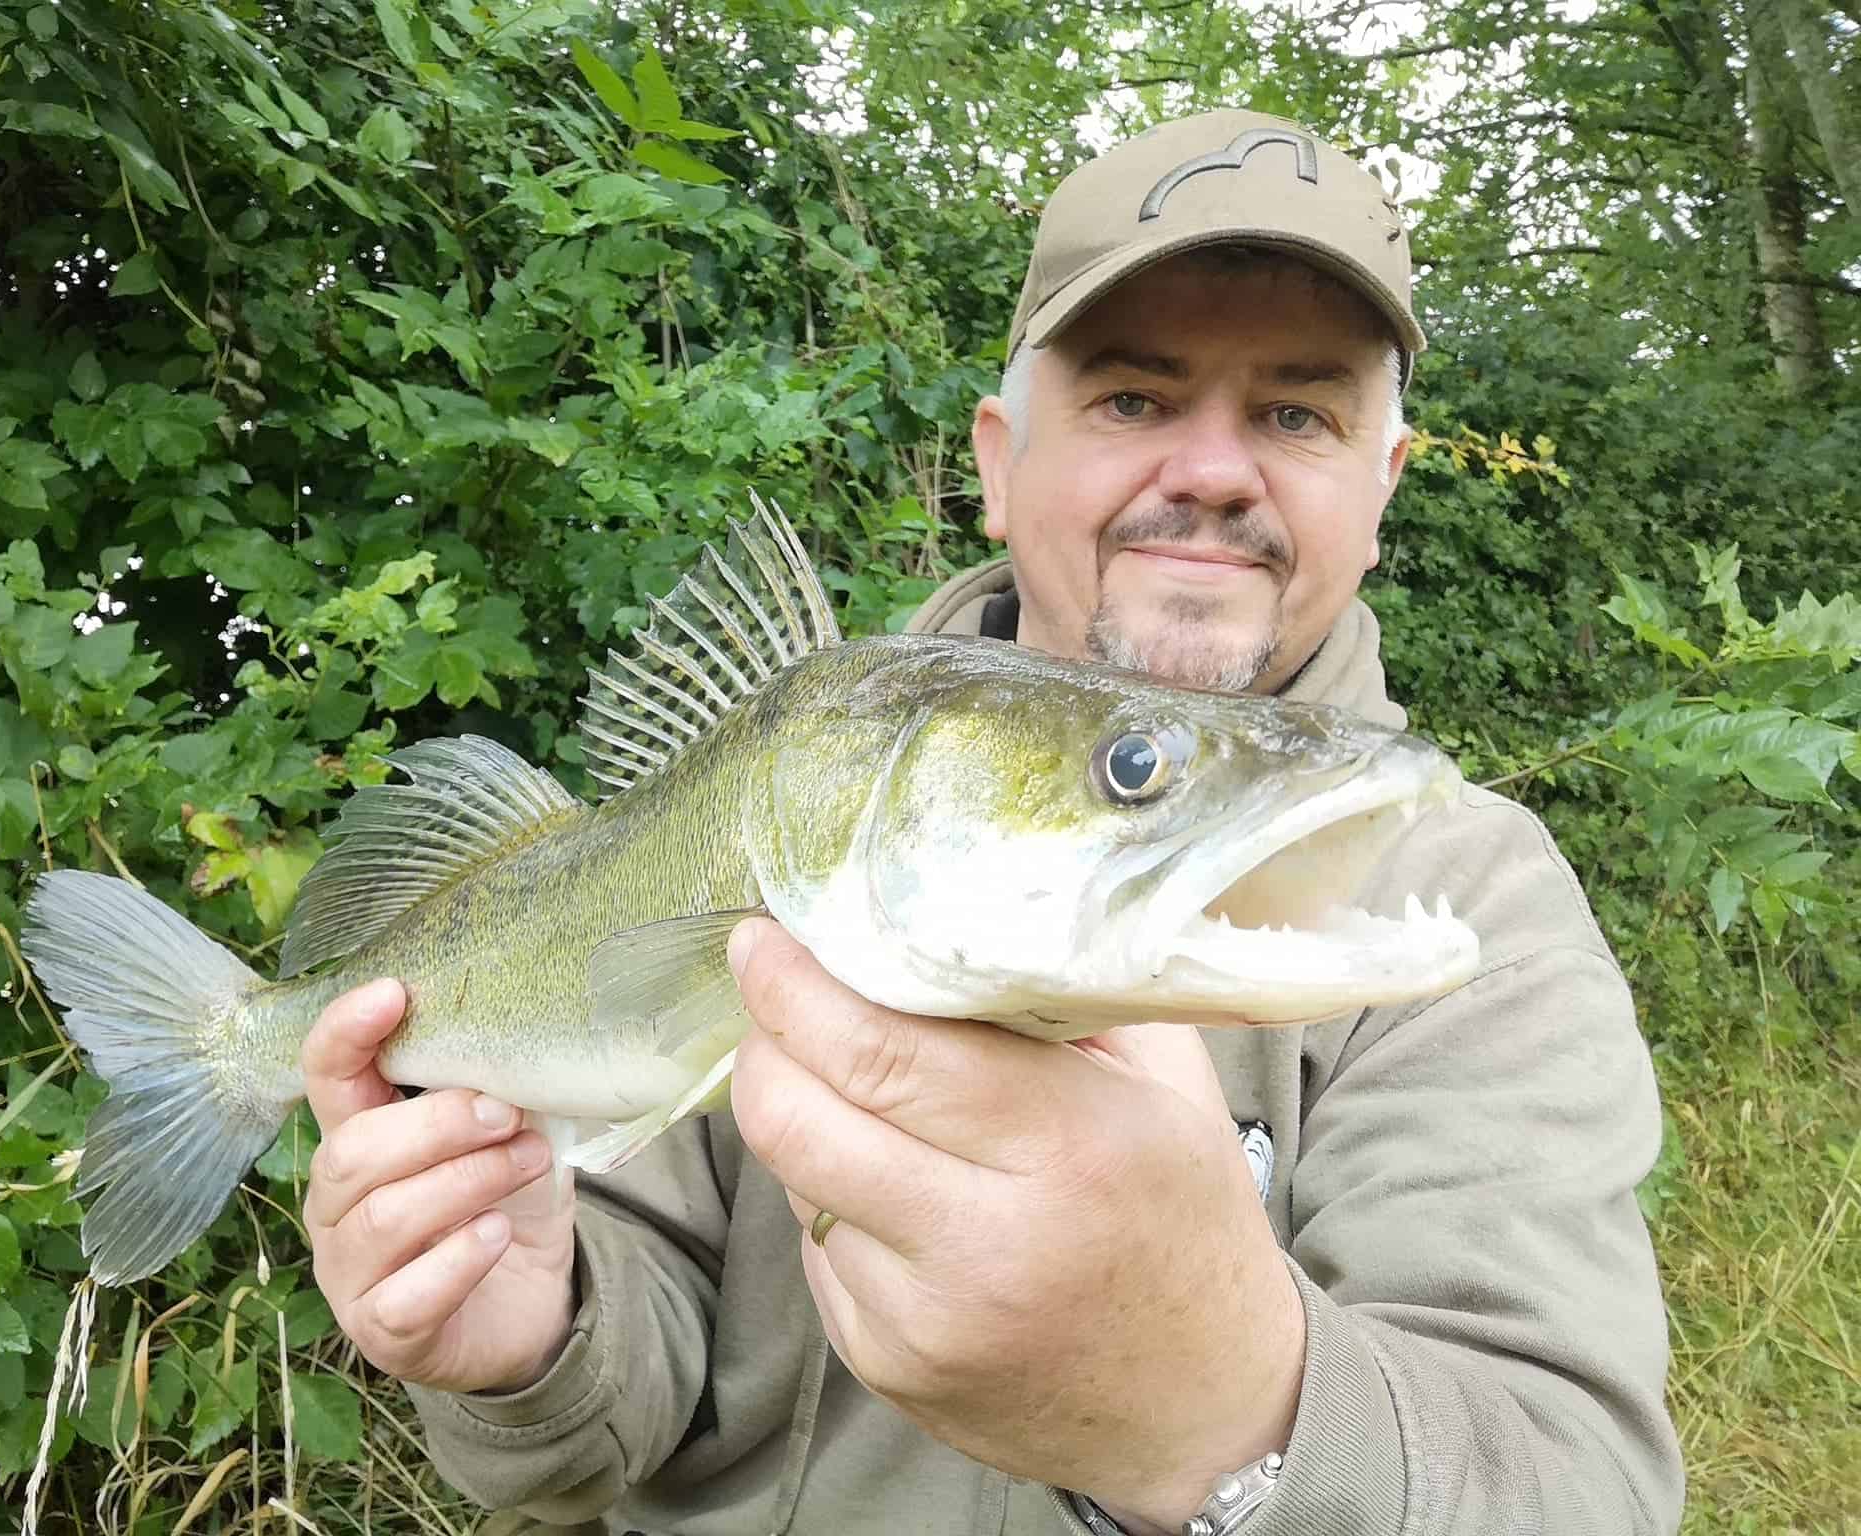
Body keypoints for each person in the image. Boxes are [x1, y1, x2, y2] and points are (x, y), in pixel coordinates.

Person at [297, 108, 1684, 1534]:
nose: (1212, 471)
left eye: (1297, 411)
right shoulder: (794, 805)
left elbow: (1579, 1486)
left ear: (1379, 493)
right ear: (999, 461)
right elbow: (604, 1412)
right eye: (1135, 400)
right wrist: (531, 1344)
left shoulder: (1465, 911)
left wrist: (1217, 1405)